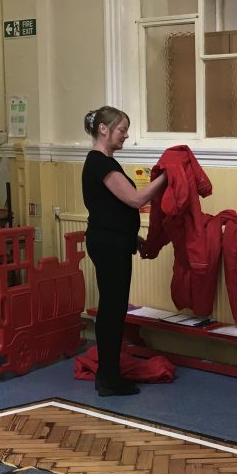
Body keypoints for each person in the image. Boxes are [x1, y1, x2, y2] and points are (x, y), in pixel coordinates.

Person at [81, 106, 167, 397]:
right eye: (122, 129)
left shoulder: (106, 162)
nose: (126, 135)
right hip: (108, 246)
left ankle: (109, 374)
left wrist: (133, 237)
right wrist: (166, 177)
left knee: (113, 310)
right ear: (103, 129)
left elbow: (112, 209)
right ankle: (108, 378)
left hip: (113, 243)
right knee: (112, 311)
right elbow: (135, 199)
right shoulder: (99, 163)